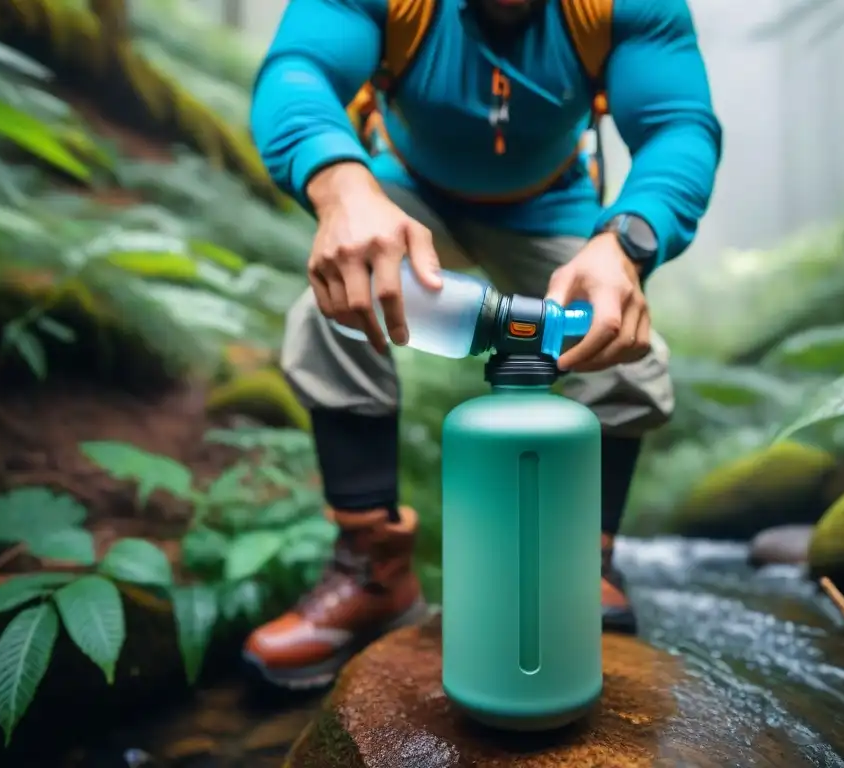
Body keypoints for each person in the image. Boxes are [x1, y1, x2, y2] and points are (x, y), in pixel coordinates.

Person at [243, 0, 721, 689]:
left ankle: (584, 563)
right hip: (401, 192)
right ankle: (374, 572)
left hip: (552, 204)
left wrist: (627, 241)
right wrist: (341, 183)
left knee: (626, 351)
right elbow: (300, 69)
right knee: (333, 309)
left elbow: (678, 126)